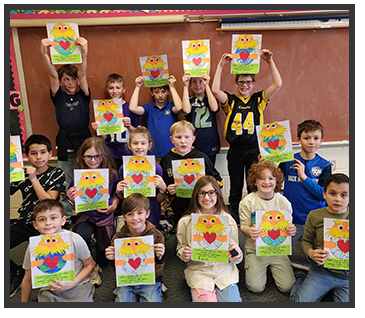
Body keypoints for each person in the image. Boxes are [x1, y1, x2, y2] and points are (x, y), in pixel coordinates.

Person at [212, 49, 282, 224]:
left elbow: (278, 84)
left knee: (254, 185)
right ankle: (235, 218)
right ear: (236, 84)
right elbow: (214, 90)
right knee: (235, 186)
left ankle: (255, 215)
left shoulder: (258, 100)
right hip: (235, 150)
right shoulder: (231, 101)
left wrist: (270, 61)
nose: (245, 85)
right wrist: (221, 65)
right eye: (241, 82)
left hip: (254, 150)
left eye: (248, 82)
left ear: (253, 84)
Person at [41, 37, 92, 227]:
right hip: (65, 144)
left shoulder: (83, 94)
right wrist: (44, 54)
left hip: (85, 142)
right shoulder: (59, 96)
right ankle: (67, 220)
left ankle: (89, 216)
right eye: (66, 79)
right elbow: (52, 75)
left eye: (73, 79)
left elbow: (84, 73)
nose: (70, 82)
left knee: (88, 181)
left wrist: (84, 52)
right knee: (66, 185)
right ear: (61, 82)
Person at [10, 134, 66, 298]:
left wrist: (33, 178)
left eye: (43, 152)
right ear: (27, 156)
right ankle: (15, 272)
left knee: (53, 260)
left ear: (50, 153)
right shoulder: (21, 174)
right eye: (33, 153)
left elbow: (48, 203)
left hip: (48, 226)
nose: (39, 157)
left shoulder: (56, 173)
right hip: (26, 223)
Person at [176, 176, 242, 302]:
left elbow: (236, 252)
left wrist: (237, 255)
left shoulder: (228, 220)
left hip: (224, 271)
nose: (206, 198)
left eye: (211, 193)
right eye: (202, 193)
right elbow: (180, 249)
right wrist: (184, 253)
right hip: (199, 272)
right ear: (196, 195)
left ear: (218, 194)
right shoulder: (186, 221)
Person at [67, 137, 120, 285]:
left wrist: (114, 206)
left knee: (104, 259)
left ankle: (98, 260)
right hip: (87, 216)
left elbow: (117, 195)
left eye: (97, 156)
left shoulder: (112, 175)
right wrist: (72, 199)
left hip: (106, 217)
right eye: (89, 156)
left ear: (103, 156)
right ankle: (91, 266)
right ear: (82, 157)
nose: (93, 160)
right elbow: (73, 207)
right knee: (81, 234)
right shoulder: (79, 177)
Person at [290, 173, 349, 302]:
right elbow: (306, 241)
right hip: (322, 270)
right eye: (332, 193)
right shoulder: (315, 215)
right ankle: (300, 277)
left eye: (343, 195)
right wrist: (311, 252)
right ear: (324, 194)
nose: (338, 199)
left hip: (348, 275)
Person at [21, 199, 95, 302]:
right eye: (42, 219)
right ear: (35, 225)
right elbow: (27, 279)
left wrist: (72, 283)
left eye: (53, 218)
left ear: (63, 220)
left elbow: (90, 264)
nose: (48, 223)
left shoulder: (75, 239)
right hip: (49, 289)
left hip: (77, 286)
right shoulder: (34, 247)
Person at [239, 160, 296, 294]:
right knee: (256, 288)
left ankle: (291, 270)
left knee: (288, 287)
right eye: (261, 178)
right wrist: (249, 231)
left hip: (278, 248)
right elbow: (243, 227)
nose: (266, 182)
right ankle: (253, 267)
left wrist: (291, 229)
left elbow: (289, 226)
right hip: (255, 249)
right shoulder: (247, 202)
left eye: (271, 178)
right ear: (254, 182)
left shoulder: (283, 202)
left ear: (277, 182)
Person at [159, 120, 223, 226]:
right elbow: (163, 185)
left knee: (200, 230)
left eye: (187, 137)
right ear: (172, 140)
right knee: (181, 231)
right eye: (178, 137)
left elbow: (218, 181)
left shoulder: (201, 157)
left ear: (193, 139)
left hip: (200, 205)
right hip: (178, 205)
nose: (183, 141)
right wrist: (167, 190)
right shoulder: (166, 160)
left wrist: (209, 189)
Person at [105, 193, 165, 302]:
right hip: (127, 281)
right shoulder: (118, 238)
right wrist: (112, 260)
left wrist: (159, 257)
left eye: (140, 213)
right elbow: (118, 271)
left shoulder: (156, 236)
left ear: (147, 214)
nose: (135, 218)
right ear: (124, 217)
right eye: (130, 214)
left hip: (149, 281)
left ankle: (158, 289)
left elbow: (158, 272)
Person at [279, 120, 332, 243]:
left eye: (316, 138)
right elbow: (272, 184)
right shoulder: (287, 161)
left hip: (315, 218)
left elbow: (323, 194)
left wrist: (304, 177)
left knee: (319, 256)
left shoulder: (325, 165)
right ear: (299, 140)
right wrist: (265, 165)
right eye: (306, 138)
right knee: (280, 253)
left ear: (321, 141)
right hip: (291, 217)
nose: (311, 142)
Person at [116, 126, 167, 229]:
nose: (139, 147)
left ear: (149, 145)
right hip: (131, 214)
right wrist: (118, 191)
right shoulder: (124, 168)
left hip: (151, 212)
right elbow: (122, 197)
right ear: (129, 145)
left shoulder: (156, 168)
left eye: (143, 143)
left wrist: (163, 189)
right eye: (135, 143)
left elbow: (159, 199)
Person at [91, 73, 142, 171]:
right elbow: (104, 138)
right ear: (107, 89)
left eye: (118, 87)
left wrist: (130, 126)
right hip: (111, 153)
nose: (115, 91)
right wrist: (99, 130)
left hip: (129, 152)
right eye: (111, 88)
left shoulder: (131, 108)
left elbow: (140, 133)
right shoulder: (102, 109)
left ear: (124, 89)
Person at [129, 75, 183, 161]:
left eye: (163, 91)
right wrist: (137, 87)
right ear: (152, 93)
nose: (160, 95)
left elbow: (180, 107)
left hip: (171, 153)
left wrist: (172, 87)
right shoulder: (149, 108)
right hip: (152, 153)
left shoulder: (170, 106)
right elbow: (133, 108)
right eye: (156, 92)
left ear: (167, 92)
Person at [182, 72, 220, 166]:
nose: (198, 84)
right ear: (190, 85)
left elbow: (214, 108)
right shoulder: (189, 100)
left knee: (210, 173)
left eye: (201, 81)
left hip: (210, 143)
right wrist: (185, 86)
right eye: (194, 82)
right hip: (194, 144)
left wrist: (207, 85)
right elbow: (186, 110)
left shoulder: (210, 99)